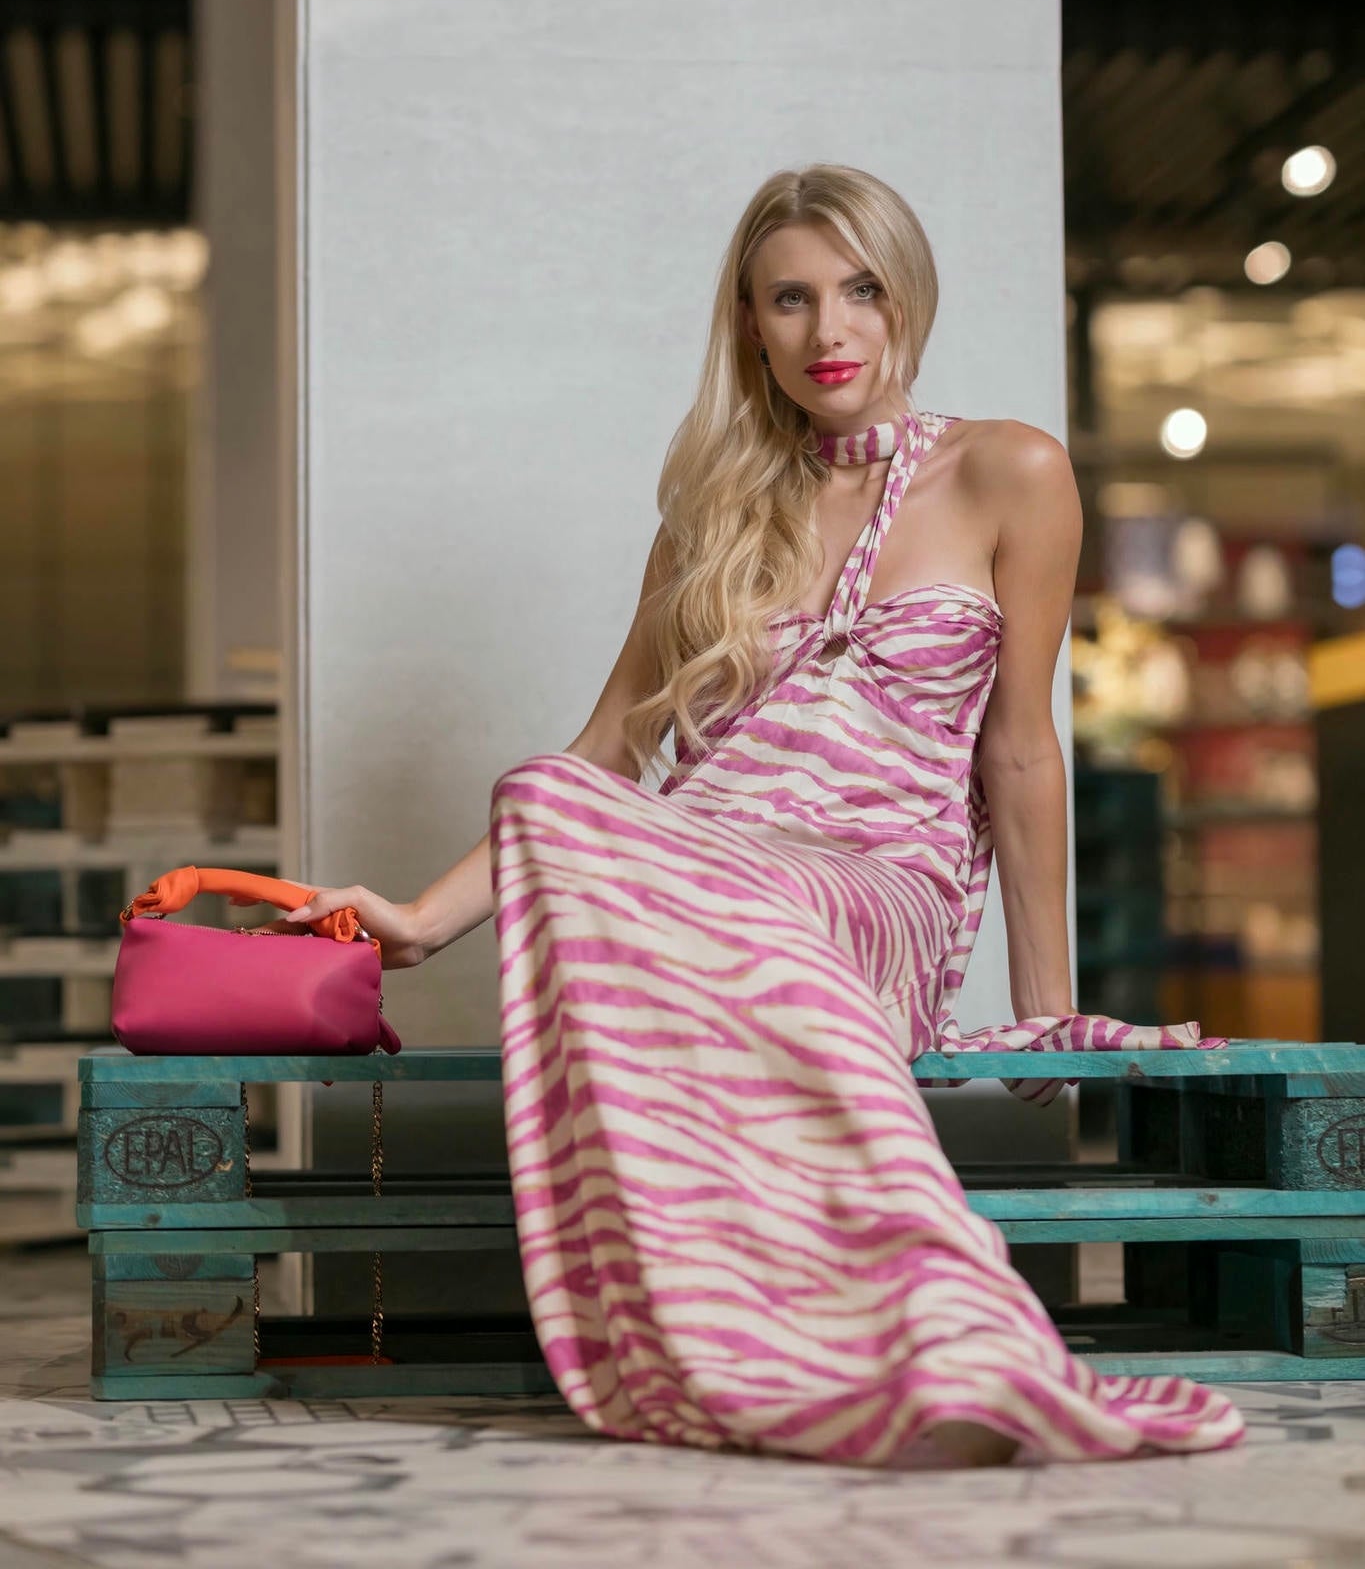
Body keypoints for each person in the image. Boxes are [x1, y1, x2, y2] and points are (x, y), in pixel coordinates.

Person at [291, 163, 1245, 1469]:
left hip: (873, 886)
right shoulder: (712, 512)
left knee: (701, 876)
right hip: (704, 866)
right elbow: (606, 754)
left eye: (856, 290)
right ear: (749, 322)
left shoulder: (1007, 472)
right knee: (541, 786)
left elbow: (1020, 753)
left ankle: (946, 1332)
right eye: (788, 300)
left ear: (904, 292)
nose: (827, 331)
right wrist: (418, 921)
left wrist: (1041, 1003)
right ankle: (767, 1340)